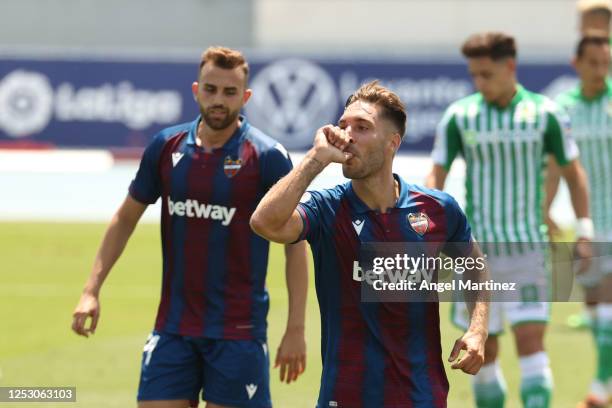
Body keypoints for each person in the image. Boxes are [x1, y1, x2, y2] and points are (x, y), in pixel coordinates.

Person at [71, 46, 309, 408]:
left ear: (245, 97)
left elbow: (295, 245)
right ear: (196, 90)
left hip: (238, 334)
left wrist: (295, 329)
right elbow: (125, 217)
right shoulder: (165, 147)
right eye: (211, 90)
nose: (219, 100)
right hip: (172, 330)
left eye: (230, 93)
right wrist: (91, 290)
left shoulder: (267, 157)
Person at [250, 80, 489, 407]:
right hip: (346, 396)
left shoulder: (437, 209)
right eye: (343, 125)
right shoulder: (327, 208)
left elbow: (474, 265)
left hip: (421, 396)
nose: (347, 136)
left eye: (362, 127)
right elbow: (264, 223)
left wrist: (478, 329)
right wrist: (315, 159)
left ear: (392, 142)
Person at [427, 32, 592, 408]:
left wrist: (584, 229)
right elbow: (436, 175)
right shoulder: (460, 115)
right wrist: (429, 228)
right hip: (474, 253)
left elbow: (573, 172)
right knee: (482, 351)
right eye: (475, 76)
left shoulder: (545, 113)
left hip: (527, 250)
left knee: (531, 343)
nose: (479, 83)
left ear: (510, 67)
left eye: (486, 74)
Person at [545, 33, 612, 408]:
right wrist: (546, 207)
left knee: (606, 299)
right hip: (585, 219)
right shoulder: (563, 108)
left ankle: (601, 386)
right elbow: (556, 164)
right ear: (577, 64)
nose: (601, 71)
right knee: (593, 301)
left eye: (607, 63)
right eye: (594, 63)